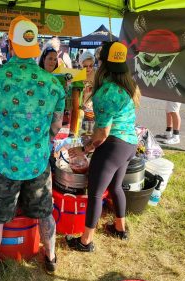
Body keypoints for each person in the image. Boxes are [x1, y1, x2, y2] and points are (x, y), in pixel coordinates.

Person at [0, 15, 65, 280]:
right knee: (44, 214)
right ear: (35, 46)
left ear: (11, 45)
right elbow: (56, 127)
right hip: (37, 162)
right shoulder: (52, 83)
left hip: (4, 163)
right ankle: (51, 259)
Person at [66, 41, 140, 251]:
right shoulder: (129, 85)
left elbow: (102, 134)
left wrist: (84, 149)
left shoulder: (105, 92)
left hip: (113, 146)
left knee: (95, 193)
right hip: (129, 144)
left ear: (102, 64)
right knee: (116, 187)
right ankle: (120, 228)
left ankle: (85, 241)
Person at [79, 50, 95, 123]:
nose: (88, 68)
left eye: (91, 66)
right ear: (81, 65)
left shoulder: (96, 74)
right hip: (80, 108)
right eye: (85, 66)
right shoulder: (77, 75)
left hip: (92, 109)